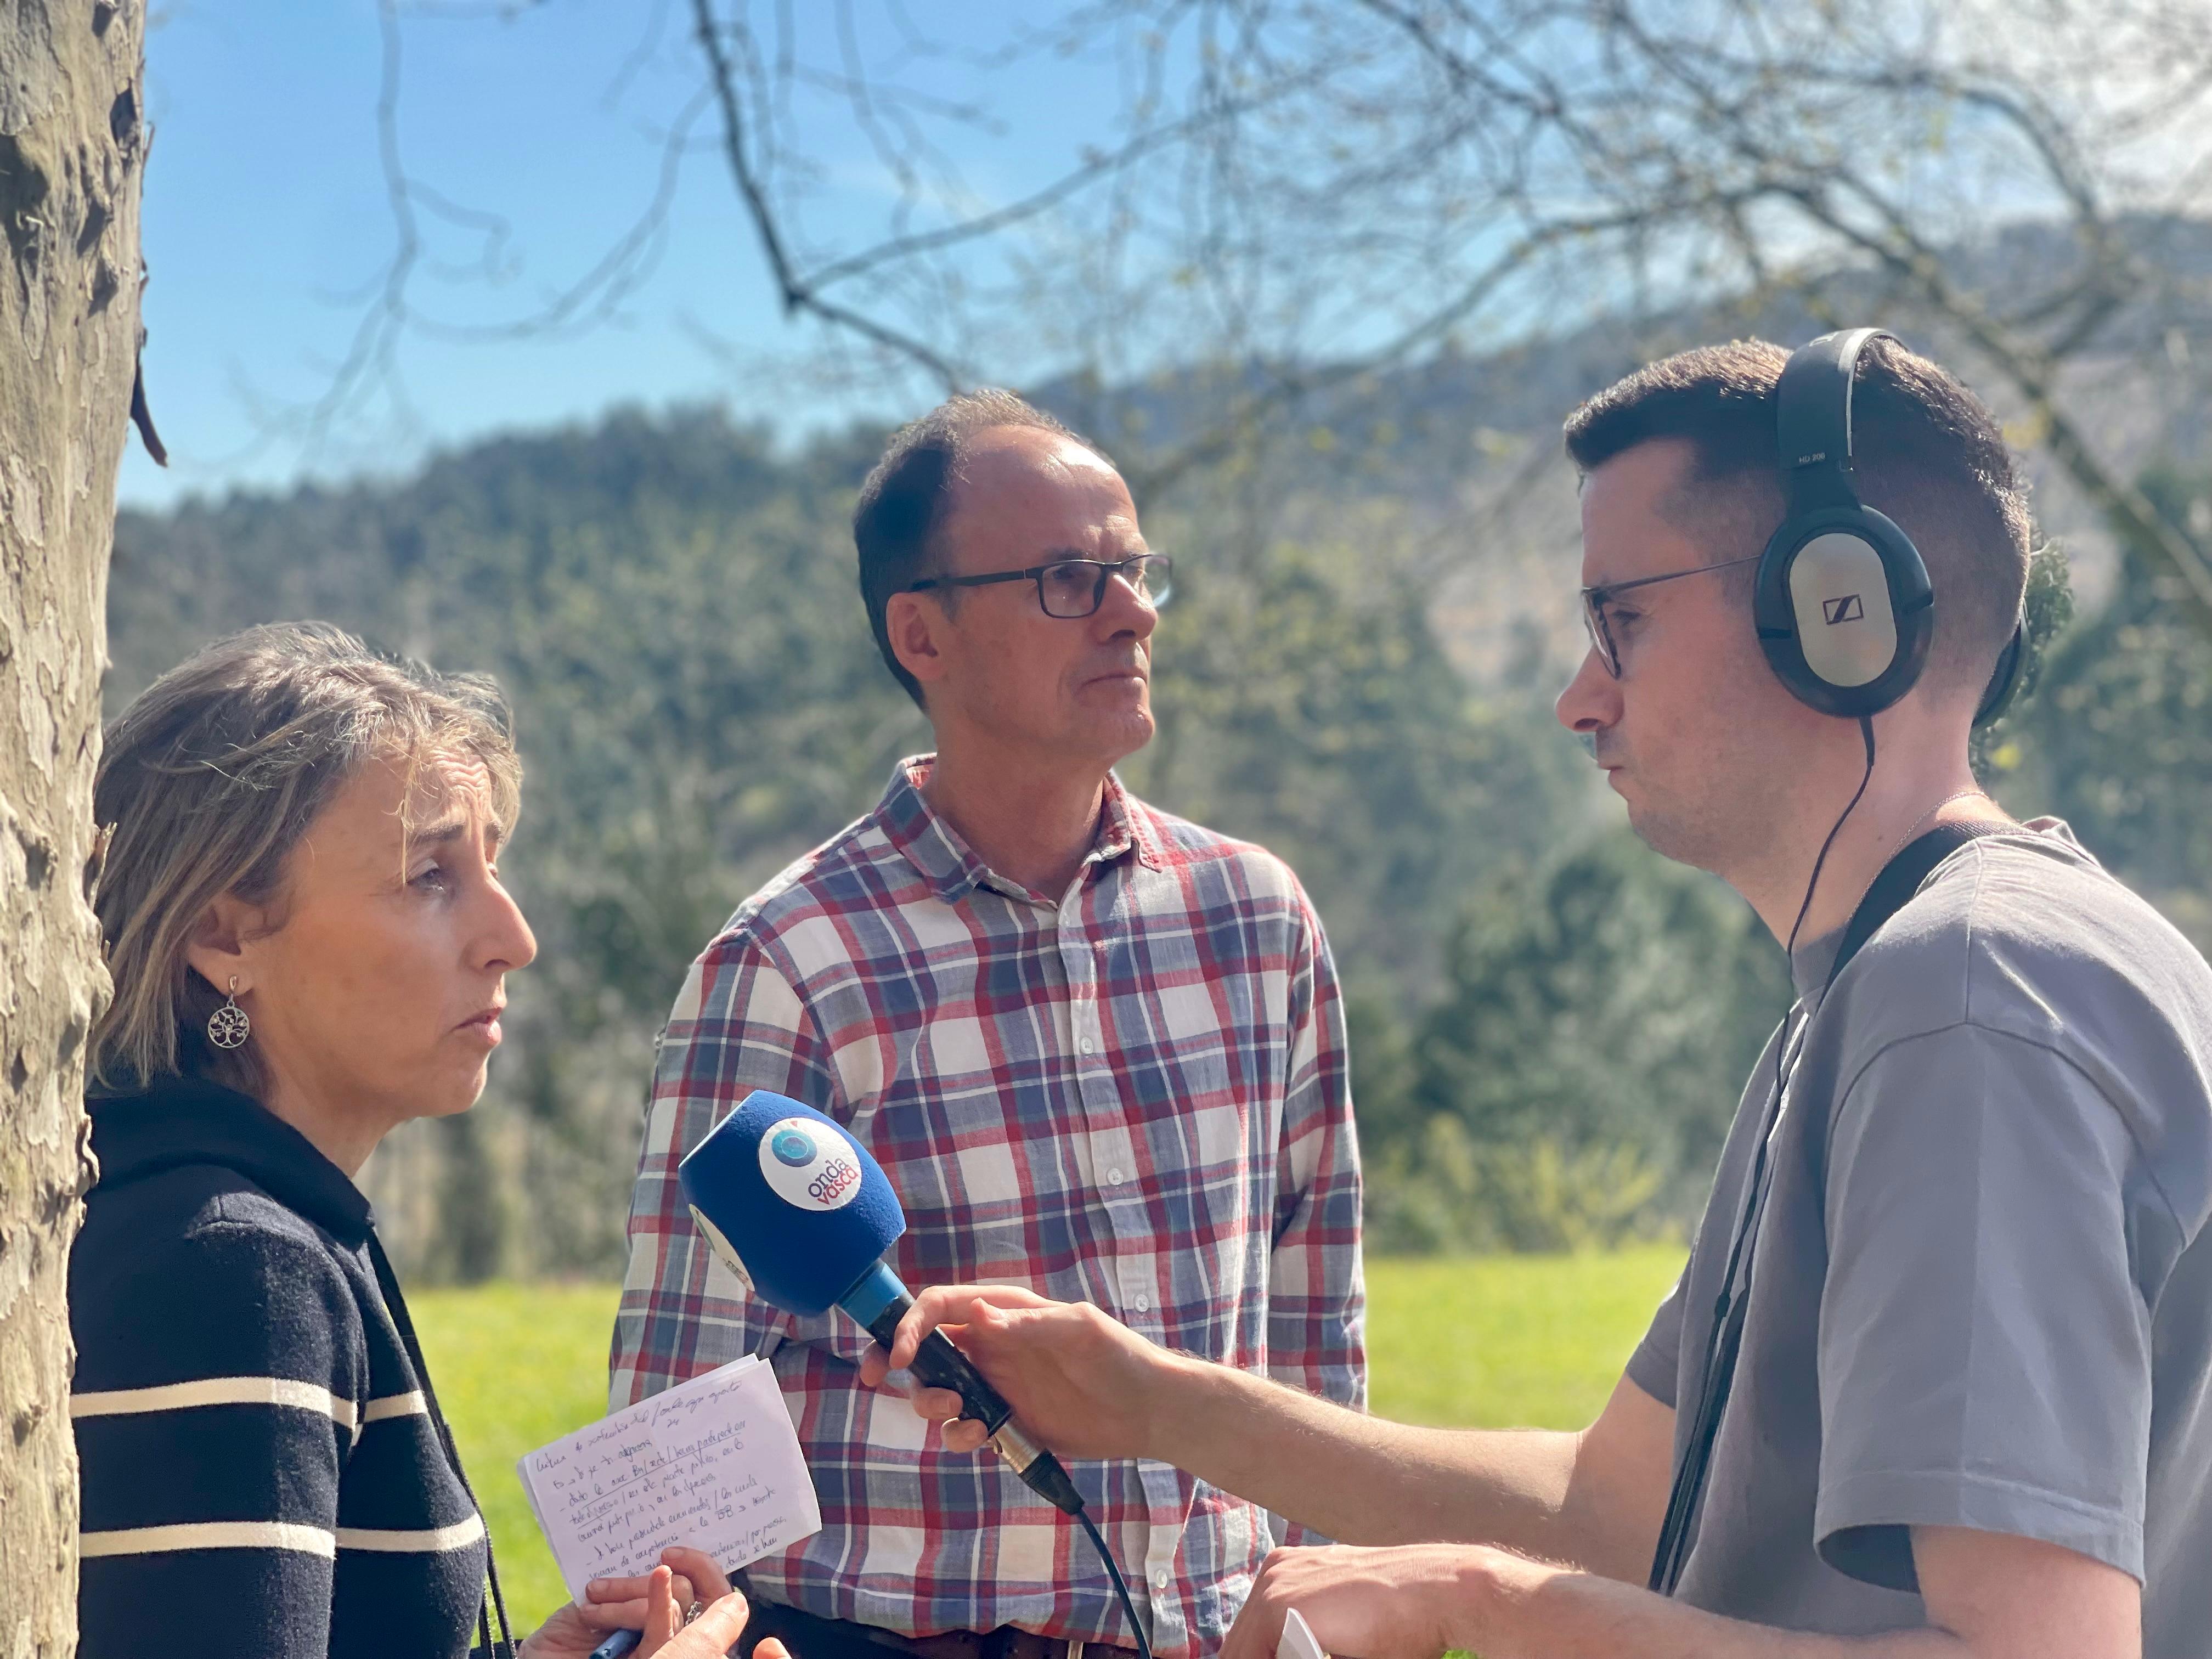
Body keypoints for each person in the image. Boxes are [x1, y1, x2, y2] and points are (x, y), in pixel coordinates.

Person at [863, 337, 2212, 1659]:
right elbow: (1618, 1508)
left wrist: (1486, 1609)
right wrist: (1153, 1401)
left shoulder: (1962, 1004)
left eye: (1621, 620)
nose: (1580, 699)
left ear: (1835, 617)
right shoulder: (1893, 990)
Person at [613, 391, 1365, 1659]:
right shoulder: (786, 963)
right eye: (1070, 579)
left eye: (1134, 572)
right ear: (923, 635)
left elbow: (1314, 1327)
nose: (1131, 611)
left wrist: (1337, 1609)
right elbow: (677, 1431)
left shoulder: (1259, 920)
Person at [72, 622, 766, 1659]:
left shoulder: (251, 1224)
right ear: (224, 936)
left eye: (490, 866)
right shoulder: (231, 1265)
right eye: (430, 877)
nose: (512, 938)